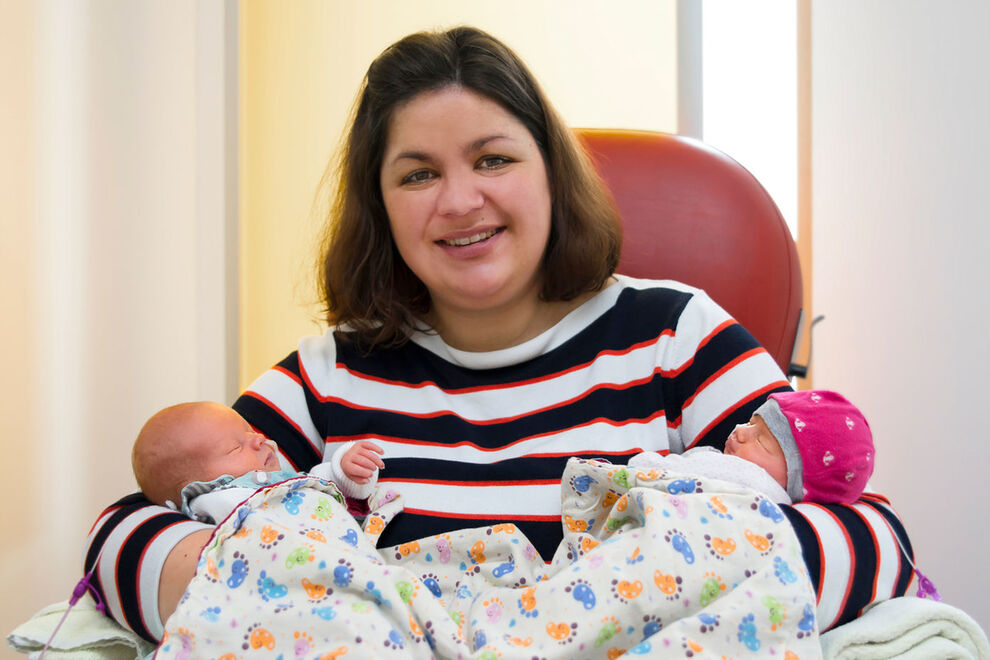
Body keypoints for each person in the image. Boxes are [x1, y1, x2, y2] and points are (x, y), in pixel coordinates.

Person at [84, 26, 915, 644]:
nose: (459, 201)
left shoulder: (675, 334)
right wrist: (283, 592)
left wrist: (659, 590)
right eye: (418, 174)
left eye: (492, 160)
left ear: (550, 172)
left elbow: (876, 532)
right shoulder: (329, 374)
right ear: (381, 209)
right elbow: (129, 527)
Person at [130, 401, 385, 522]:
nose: (259, 439)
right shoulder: (216, 501)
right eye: (235, 447)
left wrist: (344, 471)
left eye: (250, 431)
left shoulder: (287, 483)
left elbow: (322, 485)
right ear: (193, 488)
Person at [630, 389, 874, 505]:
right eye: (750, 421)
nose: (740, 430)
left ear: (797, 481)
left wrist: (637, 463)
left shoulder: (748, 479)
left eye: (761, 440)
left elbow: (654, 474)